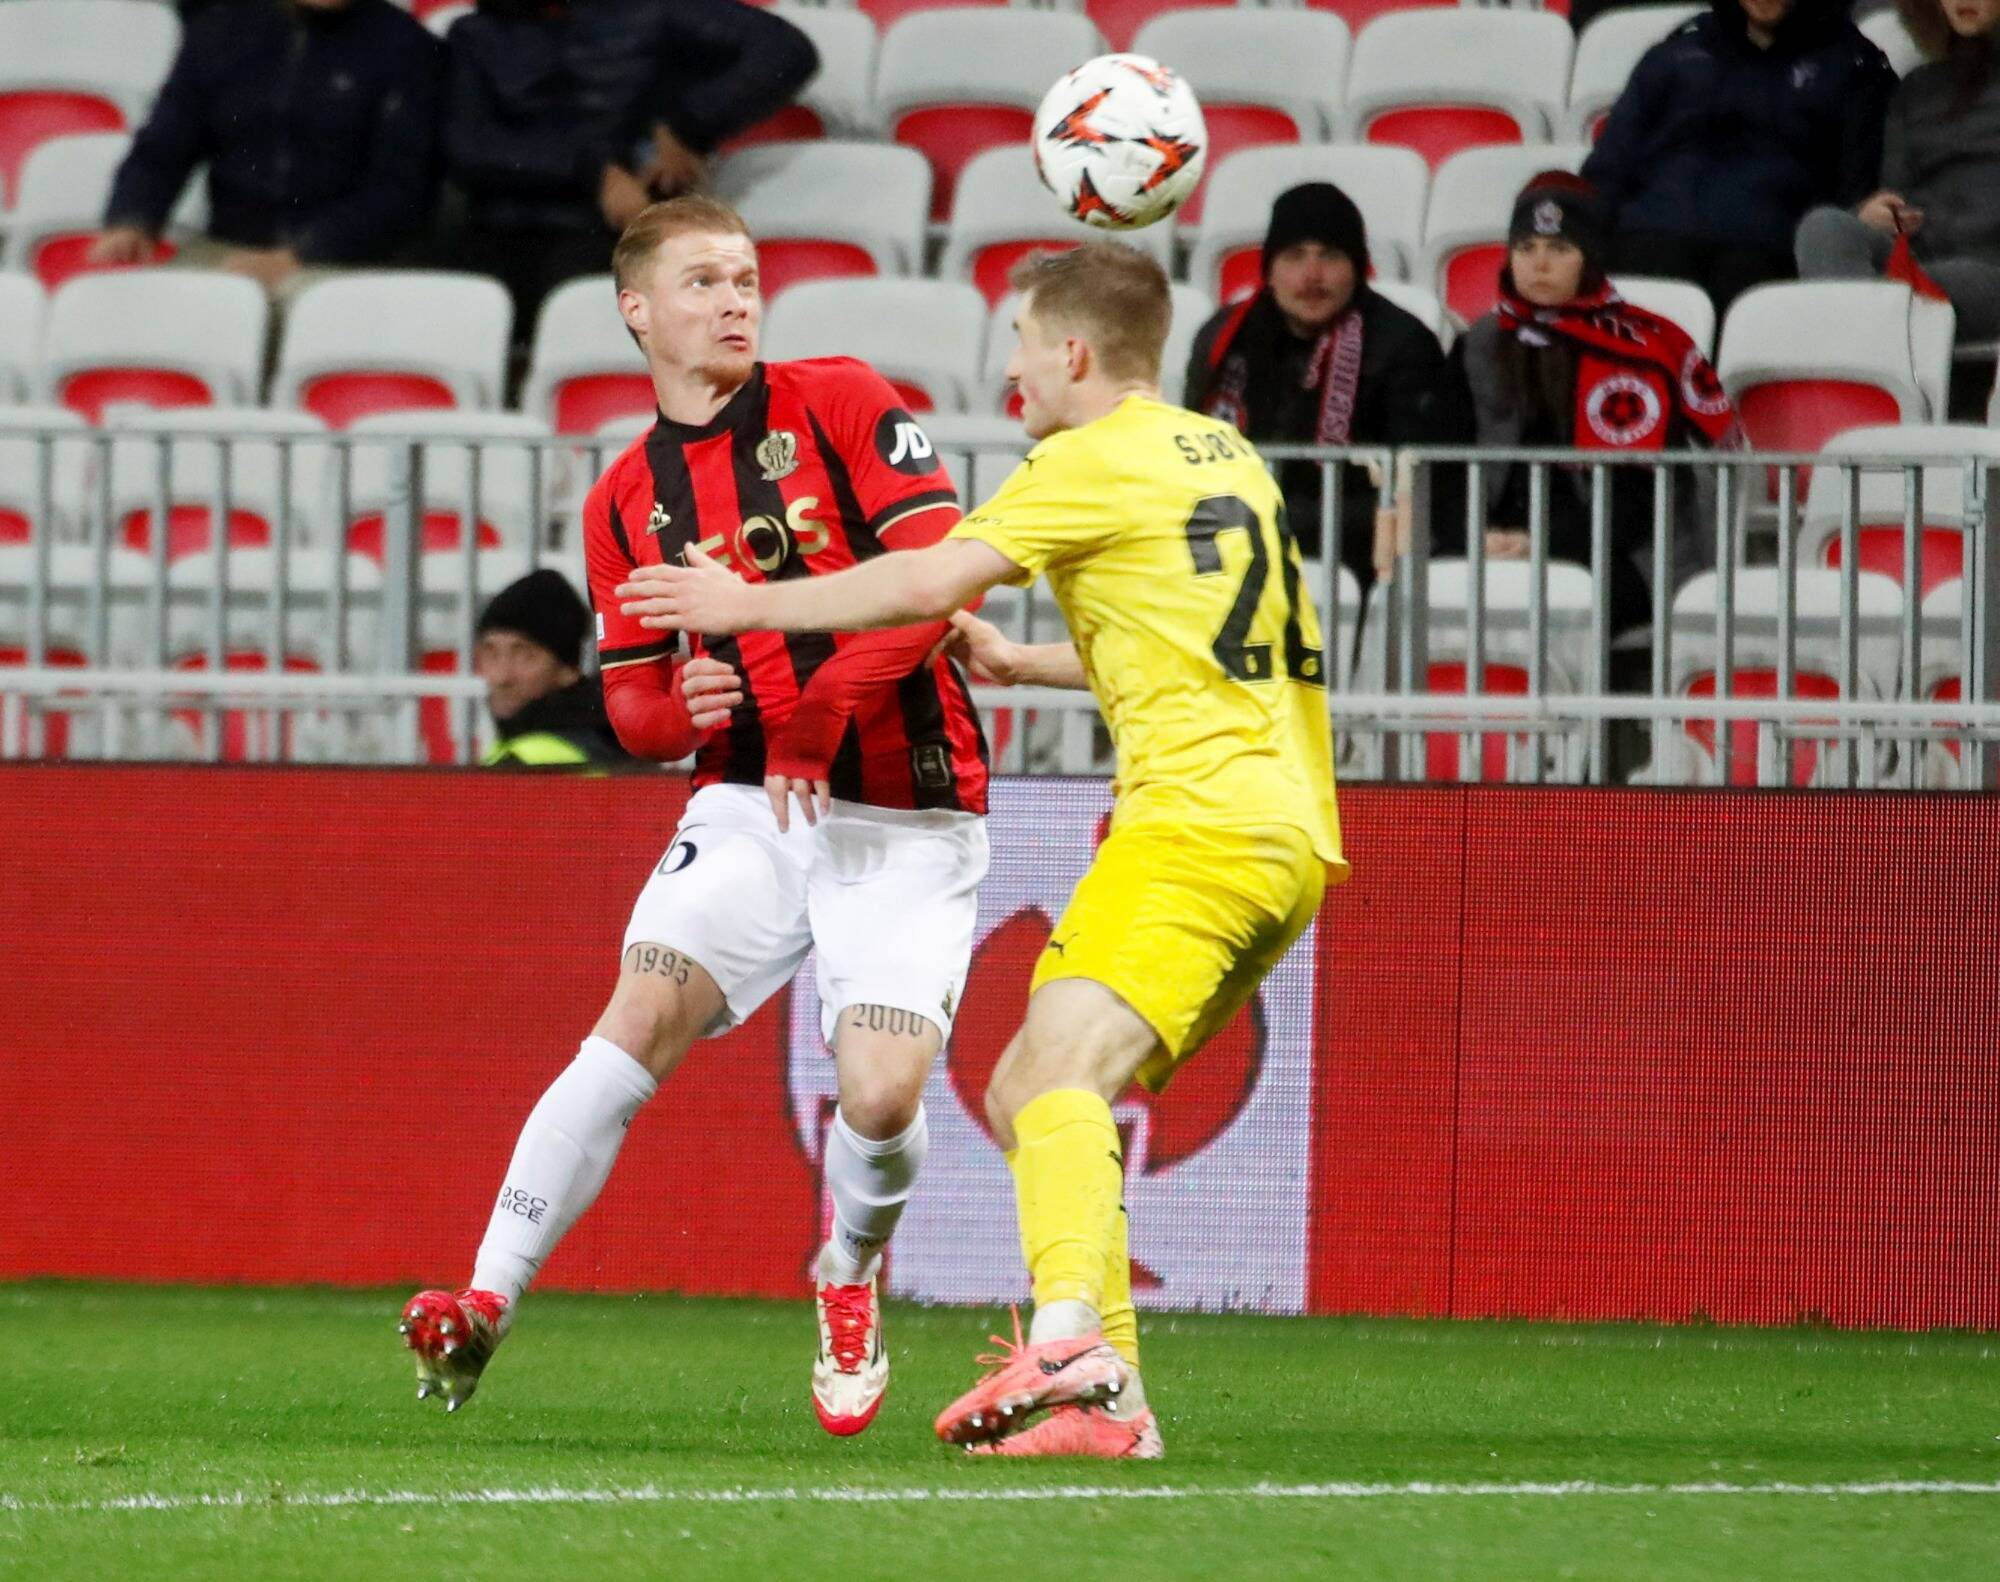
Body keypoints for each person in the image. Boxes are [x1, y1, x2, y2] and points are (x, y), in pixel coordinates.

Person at [616, 242, 1344, 1461]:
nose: (1007, 368)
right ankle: (1109, 1406)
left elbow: (921, 579)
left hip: (1195, 827)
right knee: (1062, 1083)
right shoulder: (1220, 453)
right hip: (1285, 833)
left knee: (1030, 1086)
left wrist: (747, 607)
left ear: (1071, 353)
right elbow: (1213, 646)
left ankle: (1070, 1340)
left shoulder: (1084, 460)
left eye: (1017, 341)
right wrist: (1027, 663)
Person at [398, 196, 991, 1439]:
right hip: (746, 808)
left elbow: (943, 577)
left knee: (879, 1099)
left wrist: (818, 706)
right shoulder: (624, 498)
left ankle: (845, 1267)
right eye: (706, 282)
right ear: (638, 311)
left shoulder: (835, 398)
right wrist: (686, 700)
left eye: (747, 278)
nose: (735, 300)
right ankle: (482, 1304)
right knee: (632, 1017)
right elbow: (630, 707)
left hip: (905, 806)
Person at [1443, 173, 1740, 640]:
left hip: (1623, 553)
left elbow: (1637, 504)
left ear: (1590, 259)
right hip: (1497, 543)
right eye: (1526, 249)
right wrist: (1473, 537)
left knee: (1554, 607)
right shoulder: (1476, 345)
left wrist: (1537, 543)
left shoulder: (1639, 349)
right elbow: (1444, 466)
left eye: (1559, 250)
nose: (1540, 265)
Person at [426, 0, 817, 339]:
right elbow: (468, 148)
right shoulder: (475, 33)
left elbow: (785, 51)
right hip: (496, 227)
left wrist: (687, 125)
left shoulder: (653, 11)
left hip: (617, 232)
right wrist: (596, 172)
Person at [1184, 182, 1456, 595]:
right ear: (1270, 270)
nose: (1312, 276)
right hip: (1235, 545)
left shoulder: (1403, 343)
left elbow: (1417, 492)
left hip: (1358, 561)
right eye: (1295, 256)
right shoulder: (1225, 338)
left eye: (1329, 255)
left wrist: (1287, 520)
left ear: (1358, 265)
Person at [92, 0, 442, 301]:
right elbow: (164, 145)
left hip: (345, 265)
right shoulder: (219, 32)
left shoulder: (407, 48)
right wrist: (132, 219)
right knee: (136, 311)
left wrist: (300, 255)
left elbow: (401, 192)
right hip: (226, 250)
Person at [1583, 0, 1897, 314]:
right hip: (1647, 241)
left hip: (1766, 258)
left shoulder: (1855, 67)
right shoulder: (1679, 50)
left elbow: (1857, 192)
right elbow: (1607, 169)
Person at [1795, 0, 2000, 343]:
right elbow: (1896, 193)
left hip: (1989, 267)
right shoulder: (1916, 89)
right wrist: (1878, 214)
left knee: (1904, 292)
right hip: (1916, 256)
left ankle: (1853, 359)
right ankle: (1867, 349)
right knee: (1823, 227)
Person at [475, 567, 635, 770]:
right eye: (491, 654)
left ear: (568, 669)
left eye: (524, 655)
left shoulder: (527, 763)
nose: (501, 677)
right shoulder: (614, 740)